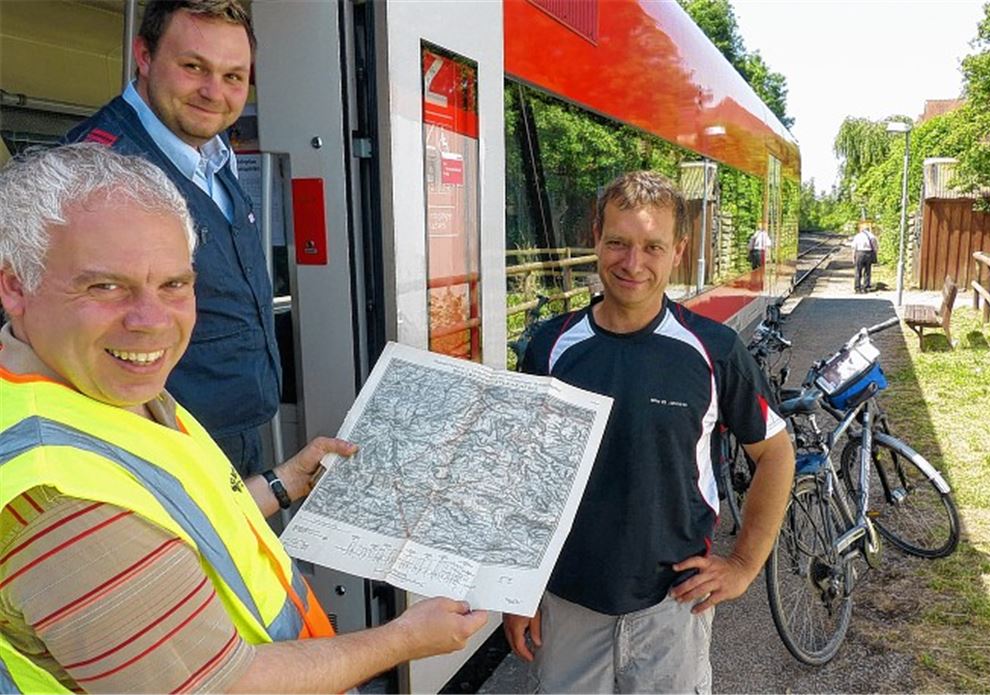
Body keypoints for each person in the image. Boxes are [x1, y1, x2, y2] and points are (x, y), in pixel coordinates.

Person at [0, 144, 487, 693]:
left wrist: (284, 483)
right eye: (105, 286)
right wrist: (404, 639)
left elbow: (184, 517)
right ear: (15, 286)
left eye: (174, 284)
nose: (151, 322)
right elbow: (223, 686)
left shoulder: (93, 385)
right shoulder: (62, 504)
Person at [504, 171, 795, 693]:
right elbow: (524, 477)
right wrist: (515, 591)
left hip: (673, 607)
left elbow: (775, 454)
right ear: (596, 236)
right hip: (566, 604)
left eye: (652, 246)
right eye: (618, 242)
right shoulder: (549, 348)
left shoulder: (714, 351)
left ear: (677, 251)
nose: (632, 263)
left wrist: (745, 564)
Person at [62, 0, 276, 476]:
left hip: (224, 435)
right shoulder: (100, 172)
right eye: (193, 67)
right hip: (154, 451)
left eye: (233, 77)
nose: (213, 92)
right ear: (143, 56)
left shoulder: (212, 156)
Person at [851, 224, 879, 293]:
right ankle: (866, 287)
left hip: (859, 253)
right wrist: (875, 255)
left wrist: (853, 257)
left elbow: (854, 247)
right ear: (868, 229)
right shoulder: (872, 236)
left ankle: (857, 288)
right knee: (867, 271)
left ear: (861, 229)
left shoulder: (858, 236)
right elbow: (875, 247)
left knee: (858, 271)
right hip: (868, 254)